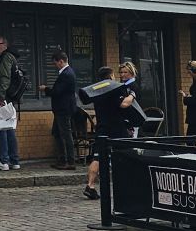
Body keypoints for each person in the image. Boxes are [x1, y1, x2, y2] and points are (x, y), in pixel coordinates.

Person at [83, 66, 137, 200]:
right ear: (110, 76)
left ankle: (90, 186)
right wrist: (132, 95)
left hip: (102, 126)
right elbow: (124, 104)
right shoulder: (112, 89)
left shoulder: (96, 91)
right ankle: (131, 182)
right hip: (116, 127)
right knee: (128, 152)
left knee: (97, 157)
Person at [0, 34, 20, 171]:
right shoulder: (6, 58)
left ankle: (4, 161)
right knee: (9, 129)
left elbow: (5, 78)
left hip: (3, 99)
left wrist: (1, 97)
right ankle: (14, 160)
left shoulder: (6, 58)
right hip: (8, 99)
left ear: (5, 45)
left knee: (2, 129)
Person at [43, 49, 80, 168]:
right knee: (58, 133)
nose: (55, 66)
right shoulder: (67, 73)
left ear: (61, 61)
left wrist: (45, 89)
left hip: (63, 109)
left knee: (65, 134)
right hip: (61, 109)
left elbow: (57, 91)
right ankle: (62, 159)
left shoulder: (66, 74)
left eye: (55, 63)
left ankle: (69, 161)